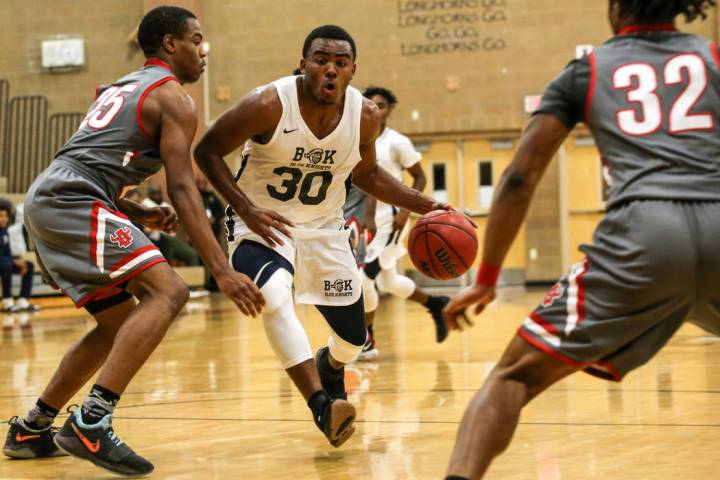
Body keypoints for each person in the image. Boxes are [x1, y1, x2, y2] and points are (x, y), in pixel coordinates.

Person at [441, 1, 719, 479]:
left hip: (643, 234)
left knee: (513, 376)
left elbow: (518, 180)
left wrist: (486, 278)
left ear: (616, 10)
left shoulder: (587, 70)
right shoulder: (713, 56)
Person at [3, 6, 263, 476]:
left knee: (116, 321)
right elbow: (184, 188)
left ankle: (32, 427)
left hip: (55, 196)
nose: (203, 51)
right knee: (171, 291)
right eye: (196, 39)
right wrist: (222, 270)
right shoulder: (175, 99)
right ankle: (91, 422)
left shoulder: (123, 86)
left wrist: (140, 211)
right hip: (72, 199)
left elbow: (92, 160)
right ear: (170, 43)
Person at [194, 25, 449, 448]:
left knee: (353, 340)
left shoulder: (364, 115)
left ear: (352, 71)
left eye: (340, 62)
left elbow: (366, 175)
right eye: (321, 59)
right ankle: (321, 404)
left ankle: (330, 367)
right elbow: (206, 150)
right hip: (264, 225)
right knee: (274, 295)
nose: (330, 69)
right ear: (304, 64)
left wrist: (425, 205)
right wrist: (245, 207)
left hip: (326, 231)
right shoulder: (268, 104)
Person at [353, 86, 450, 360]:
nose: (375, 108)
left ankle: (367, 340)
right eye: (370, 104)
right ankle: (435, 304)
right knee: (389, 282)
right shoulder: (358, 138)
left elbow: (419, 178)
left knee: (363, 280)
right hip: (369, 218)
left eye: (381, 105)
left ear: (390, 109)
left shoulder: (397, 142)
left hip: (393, 218)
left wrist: (406, 213)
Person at [0, 201, 39, 312]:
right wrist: (13, 261)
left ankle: (23, 300)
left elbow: (8, 252)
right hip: (3, 264)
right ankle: (7, 301)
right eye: (1, 216)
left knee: (29, 266)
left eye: (6, 216)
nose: (4, 219)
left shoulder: (6, 232)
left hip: (5, 262)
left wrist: (18, 260)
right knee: (6, 265)